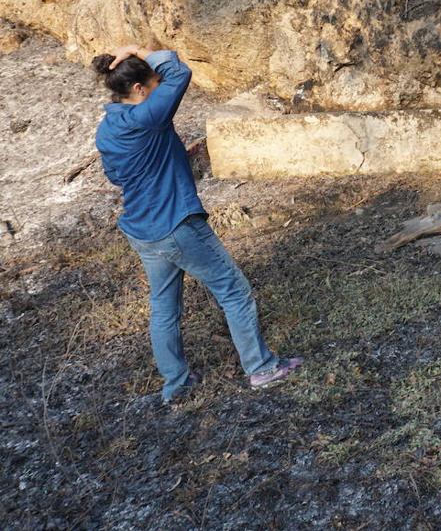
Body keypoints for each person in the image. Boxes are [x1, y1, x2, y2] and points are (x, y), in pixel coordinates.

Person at [92, 44, 301, 403]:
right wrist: (142, 50)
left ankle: (177, 384)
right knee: (234, 291)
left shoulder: (108, 128)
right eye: (152, 83)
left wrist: (165, 162)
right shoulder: (148, 117)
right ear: (140, 89)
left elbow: (117, 175)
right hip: (177, 224)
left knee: (164, 308)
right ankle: (261, 368)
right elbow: (179, 72)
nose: (159, 86)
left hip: (143, 230)